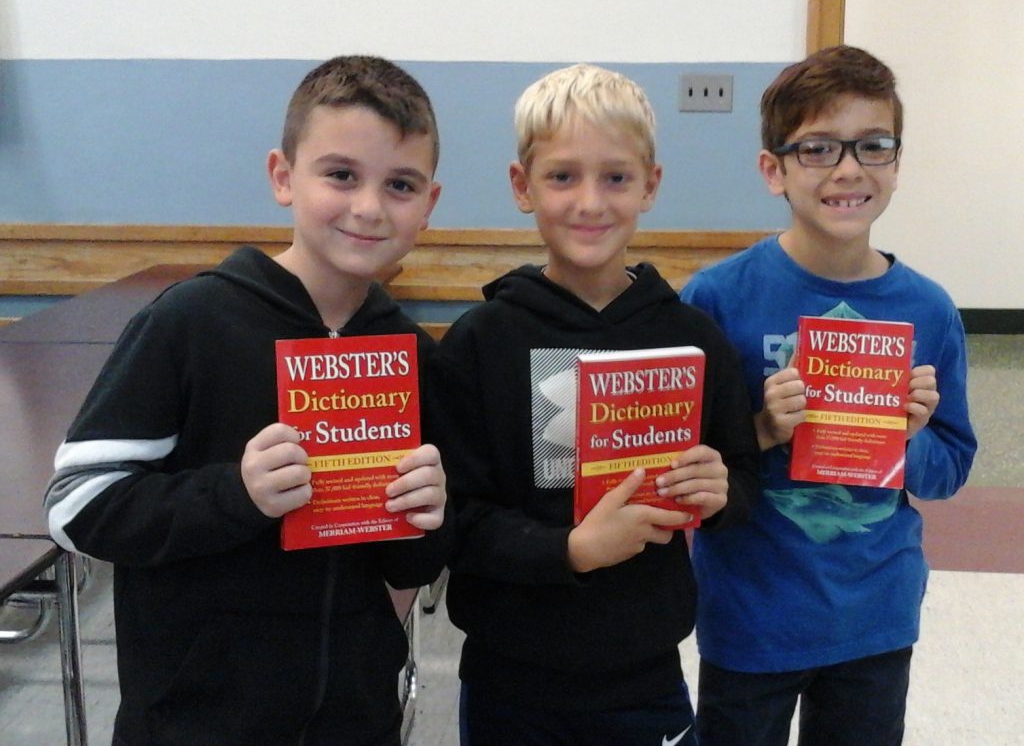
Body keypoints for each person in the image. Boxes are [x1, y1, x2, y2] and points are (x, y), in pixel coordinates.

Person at [43, 55, 452, 746]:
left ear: (429, 205)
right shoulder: (191, 322)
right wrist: (237, 493)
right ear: (283, 176)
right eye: (341, 174)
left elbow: (405, 569)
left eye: (400, 184)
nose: (369, 207)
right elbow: (75, 504)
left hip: (354, 722)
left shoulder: (411, 355)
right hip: (194, 721)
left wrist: (426, 518)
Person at [429, 63, 761, 746]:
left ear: (651, 185)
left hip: (643, 672)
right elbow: (455, 520)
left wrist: (720, 492)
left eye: (615, 177)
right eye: (562, 176)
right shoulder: (480, 342)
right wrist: (571, 550)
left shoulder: (692, 338)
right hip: (507, 677)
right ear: (523, 187)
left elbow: (743, 481)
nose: (590, 202)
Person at [679, 45, 977, 746]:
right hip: (752, 611)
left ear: (897, 162)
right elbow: (686, 464)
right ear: (772, 169)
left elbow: (952, 466)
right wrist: (757, 428)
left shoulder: (928, 310)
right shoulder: (718, 298)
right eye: (817, 148)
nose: (849, 169)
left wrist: (909, 435)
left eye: (873, 145)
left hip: (875, 613)